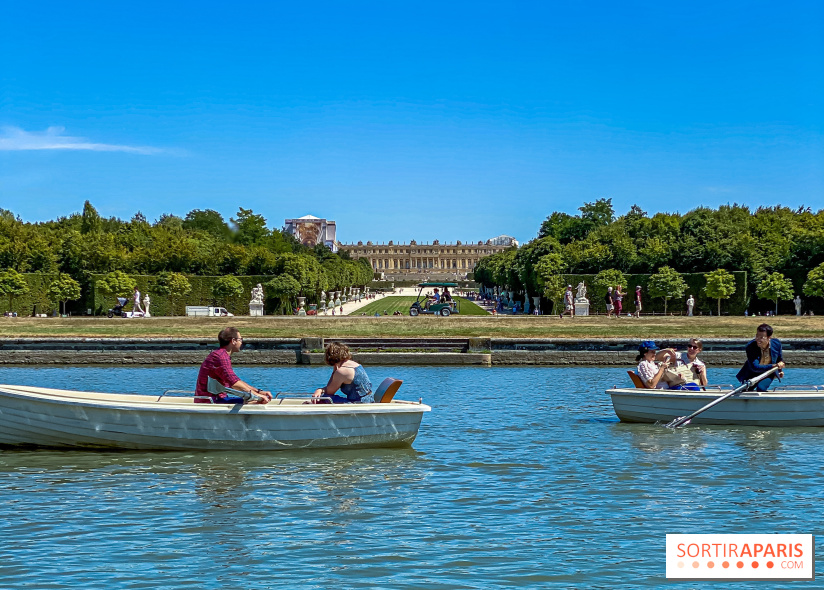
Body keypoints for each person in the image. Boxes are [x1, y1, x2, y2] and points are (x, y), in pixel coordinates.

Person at [195, 327, 272, 404]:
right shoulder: (220, 357)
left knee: (254, 400)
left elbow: (235, 380)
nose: (241, 342)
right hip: (211, 401)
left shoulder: (220, 354)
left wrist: (259, 392)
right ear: (233, 341)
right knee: (258, 401)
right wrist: (257, 395)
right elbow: (234, 383)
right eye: (240, 339)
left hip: (217, 399)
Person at [736, 323, 785, 391]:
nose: (758, 339)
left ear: (769, 337)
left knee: (761, 388)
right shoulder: (751, 346)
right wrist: (774, 366)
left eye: (761, 337)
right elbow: (755, 367)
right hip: (752, 373)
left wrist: (780, 370)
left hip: (768, 373)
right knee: (745, 390)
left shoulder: (777, 344)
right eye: (757, 336)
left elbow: (779, 359)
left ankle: (765, 400)